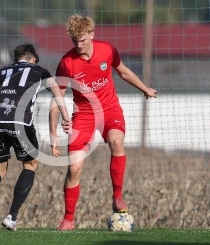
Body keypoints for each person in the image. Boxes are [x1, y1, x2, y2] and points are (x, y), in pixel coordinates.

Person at [49, 14, 158, 231]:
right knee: (74, 168)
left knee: (117, 142)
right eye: (75, 41)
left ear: (92, 34)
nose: (79, 45)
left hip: (109, 109)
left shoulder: (107, 50)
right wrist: (53, 134)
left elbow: (124, 71)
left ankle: (117, 197)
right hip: (84, 115)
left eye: (83, 40)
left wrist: (144, 88)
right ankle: (68, 219)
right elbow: (56, 98)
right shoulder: (67, 63)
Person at [0, 44, 72, 231]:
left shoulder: (1, 72)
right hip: (21, 124)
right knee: (30, 165)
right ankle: (11, 217)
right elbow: (57, 92)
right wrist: (66, 118)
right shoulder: (40, 71)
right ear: (33, 59)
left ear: (16, 59)